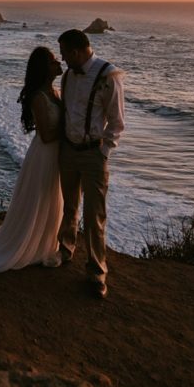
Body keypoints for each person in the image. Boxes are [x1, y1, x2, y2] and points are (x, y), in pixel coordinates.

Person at [0, 47, 65, 272]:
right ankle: (30, 245)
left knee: (50, 199)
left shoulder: (56, 91)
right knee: (39, 199)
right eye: (53, 60)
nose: (58, 63)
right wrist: (71, 131)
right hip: (44, 156)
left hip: (56, 156)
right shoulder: (39, 96)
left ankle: (43, 243)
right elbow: (46, 136)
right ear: (44, 68)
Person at [56, 29, 124, 299]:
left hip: (93, 154)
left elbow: (117, 121)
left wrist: (103, 152)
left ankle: (97, 271)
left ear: (75, 51)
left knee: (94, 215)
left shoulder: (109, 75)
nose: (62, 59)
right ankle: (65, 249)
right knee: (69, 206)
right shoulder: (68, 76)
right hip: (68, 151)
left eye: (63, 53)